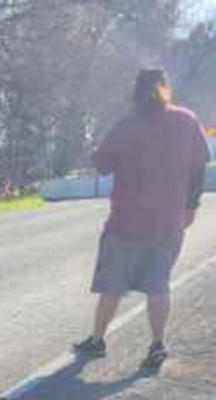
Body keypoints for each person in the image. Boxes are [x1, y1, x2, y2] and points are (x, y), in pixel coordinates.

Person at [74, 68, 209, 371]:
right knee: (158, 285)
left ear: (135, 93)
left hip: (126, 222)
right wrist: (191, 205)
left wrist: (96, 145)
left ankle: (97, 340)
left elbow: (101, 165)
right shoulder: (186, 120)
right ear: (166, 88)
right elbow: (200, 165)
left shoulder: (127, 125)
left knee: (113, 284)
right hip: (169, 221)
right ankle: (157, 343)